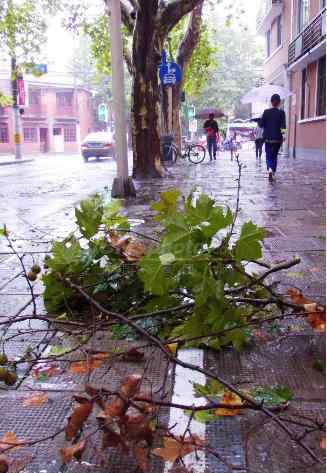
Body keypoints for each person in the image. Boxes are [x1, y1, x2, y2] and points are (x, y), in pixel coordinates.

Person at [261, 94, 286, 182]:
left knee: (268, 156)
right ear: (279, 102)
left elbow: (261, 125)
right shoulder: (281, 113)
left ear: (271, 102)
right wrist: (284, 135)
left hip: (268, 138)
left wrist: (260, 120)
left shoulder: (266, 112)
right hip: (277, 138)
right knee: (274, 156)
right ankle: (273, 171)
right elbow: (283, 125)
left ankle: (270, 169)